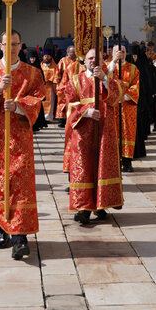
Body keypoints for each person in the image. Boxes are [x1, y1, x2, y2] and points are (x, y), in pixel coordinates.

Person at [0, 30, 44, 260]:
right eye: (7, 44)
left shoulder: (32, 73)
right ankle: (2, 229)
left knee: (20, 185)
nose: (11, 47)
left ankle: (20, 237)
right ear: (0, 45)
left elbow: (38, 97)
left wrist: (20, 105)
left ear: (20, 45)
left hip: (20, 137)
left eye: (15, 44)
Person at [65, 46, 124, 224]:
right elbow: (68, 105)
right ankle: (84, 207)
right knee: (85, 168)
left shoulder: (109, 79)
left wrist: (104, 79)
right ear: (84, 61)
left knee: (101, 165)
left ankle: (101, 203)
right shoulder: (75, 80)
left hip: (104, 130)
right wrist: (87, 112)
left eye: (97, 59)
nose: (93, 62)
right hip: (83, 132)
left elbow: (118, 96)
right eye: (90, 58)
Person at [110, 44, 141, 172]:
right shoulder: (108, 66)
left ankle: (127, 162)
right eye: (117, 52)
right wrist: (113, 62)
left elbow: (136, 85)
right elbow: (105, 79)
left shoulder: (132, 68)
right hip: (112, 106)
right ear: (112, 53)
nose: (120, 54)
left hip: (127, 106)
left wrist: (126, 97)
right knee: (113, 132)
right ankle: (113, 162)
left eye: (122, 52)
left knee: (127, 133)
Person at [55, 45, 80, 126]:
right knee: (63, 102)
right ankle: (62, 120)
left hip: (76, 85)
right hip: (64, 85)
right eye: (70, 52)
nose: (72, 54)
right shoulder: (63, 61)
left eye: (73, 53)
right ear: (67, 52)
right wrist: (58, 84)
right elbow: (57, 73)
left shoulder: (79, 61)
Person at [40, 53, 59, 122]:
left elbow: (56, 76)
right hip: (42, 87)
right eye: (45, 56)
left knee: (51, 101)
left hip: (50, 87)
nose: (46, 57)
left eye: (48, 56)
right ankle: (42, 117)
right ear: (42, 57)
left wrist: (51, 79)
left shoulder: (55, 66)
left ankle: (48, 117)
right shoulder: (40, 66)